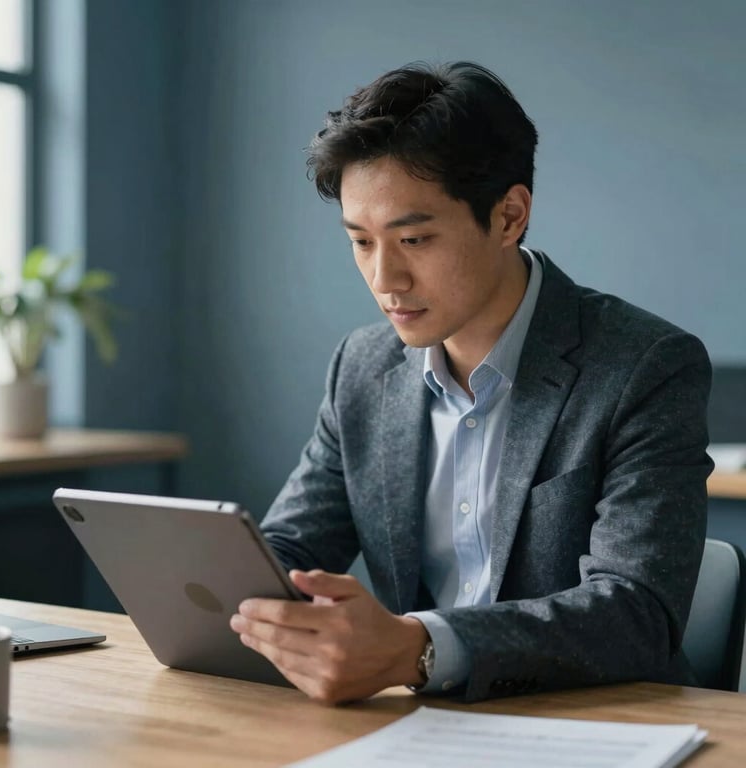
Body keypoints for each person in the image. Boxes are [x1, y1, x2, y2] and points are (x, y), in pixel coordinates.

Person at [228, 61, 712, 704]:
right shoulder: (362, 369)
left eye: (415, 238)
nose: (384, 279)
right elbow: (291, 549)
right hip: (410, 729)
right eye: (361, 242)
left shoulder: (645, 366)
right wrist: (221, 584)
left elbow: (636, 612)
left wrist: (418, 647)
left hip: (598, 728)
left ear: (510, 216)